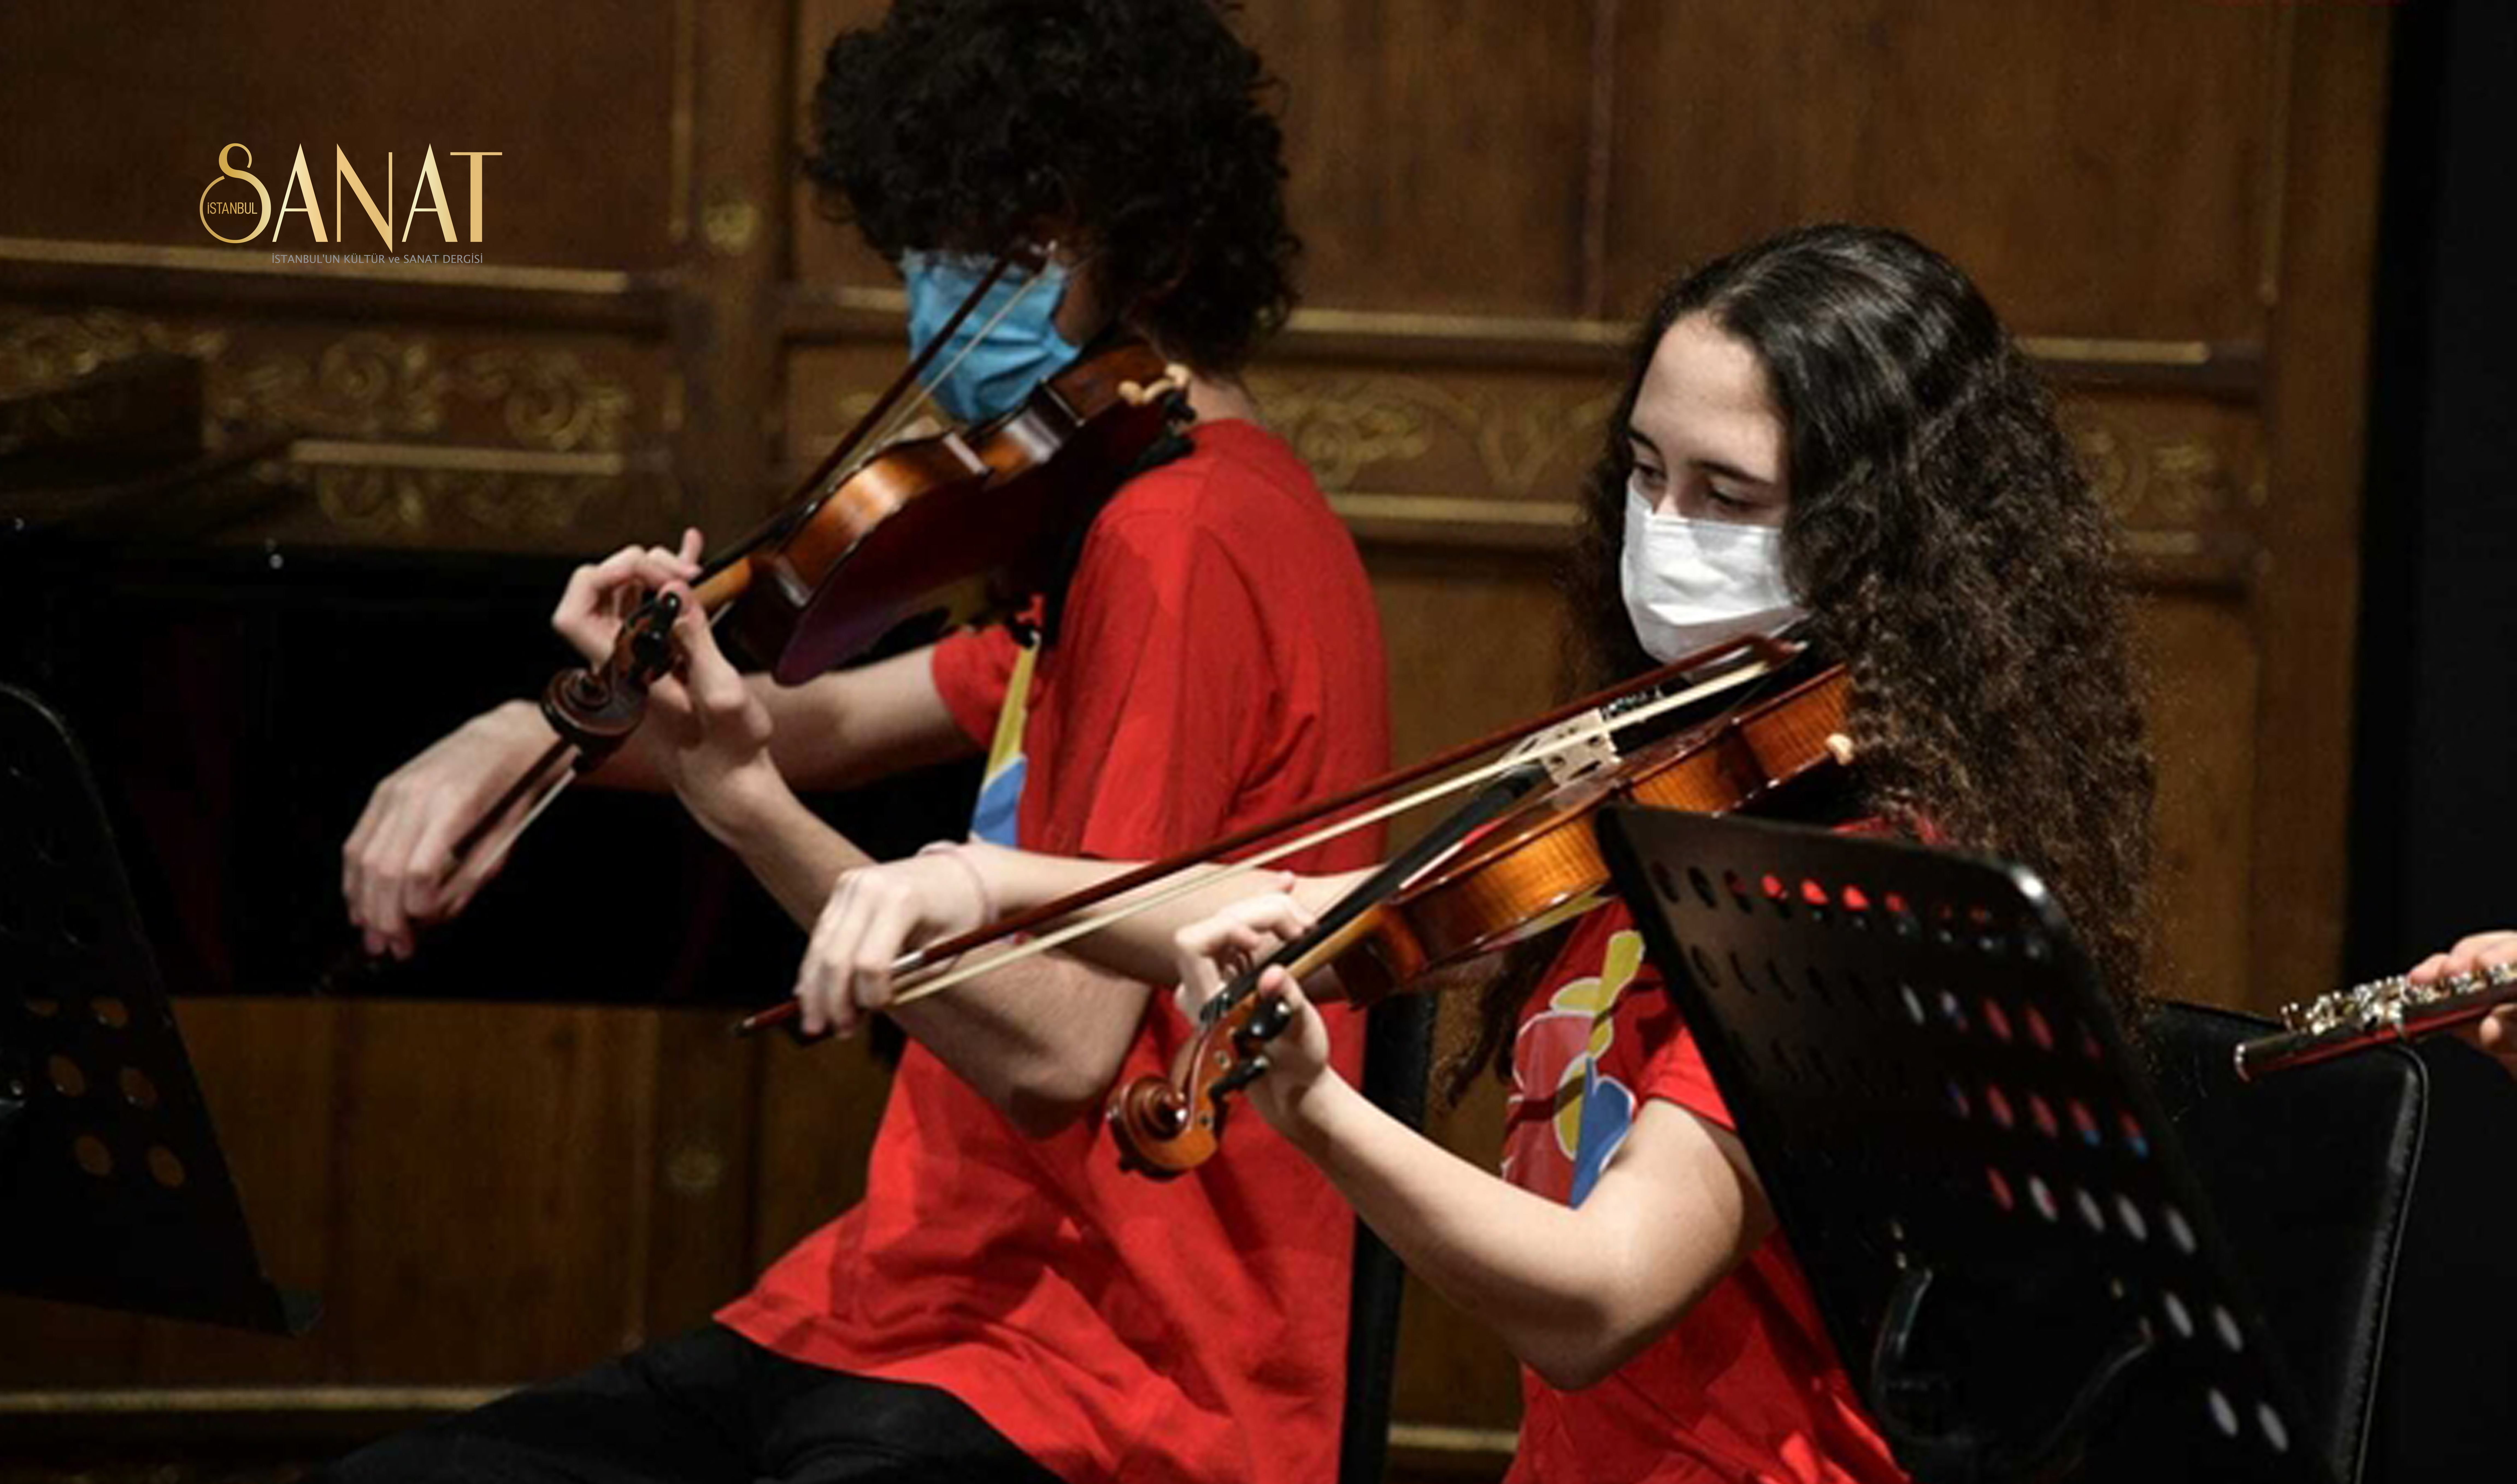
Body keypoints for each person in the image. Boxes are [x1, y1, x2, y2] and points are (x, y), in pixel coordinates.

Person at [796, 224, 2158, 1483]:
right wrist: (985, 883)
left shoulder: (1860, 879)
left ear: (1883, 539)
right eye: (1644, 471)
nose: (1663, 528)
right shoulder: (1663, 769)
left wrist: (1321, 1117)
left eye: (1727, 495)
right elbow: (1319, 919)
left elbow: (1603, 1295)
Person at [324, 2, 1388, 1481]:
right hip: (917, 1302)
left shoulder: (1182, 535)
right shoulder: (1104, 526)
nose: (945, 295)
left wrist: (749, 811)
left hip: (1115, 1364)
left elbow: (1064, 1049)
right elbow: (804, 721)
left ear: (1152, 243)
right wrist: (528, 731)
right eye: (933, 247)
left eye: (1009, 250)